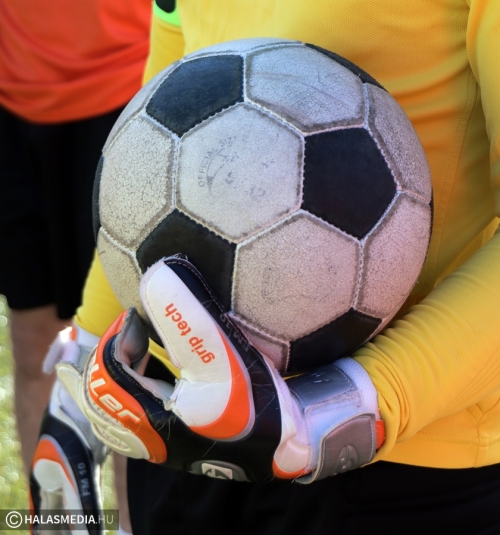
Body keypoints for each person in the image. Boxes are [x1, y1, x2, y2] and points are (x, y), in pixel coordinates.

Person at [59, 0, 500, 533]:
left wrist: (342, 409)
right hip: (187, 416)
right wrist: (82, 361)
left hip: (406, 462)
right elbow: (149, 152)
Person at [0, 0, 151, 531]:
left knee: (129, 357)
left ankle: (132, 523)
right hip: (13, 99)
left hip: (124, 87)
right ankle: (51, 526)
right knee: (34, 343)